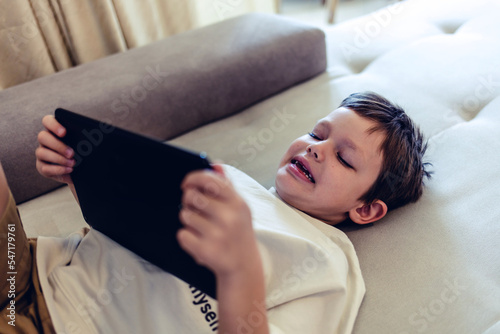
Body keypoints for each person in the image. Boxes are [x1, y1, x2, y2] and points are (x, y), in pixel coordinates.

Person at [1, 91, 431, 333]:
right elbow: (126, 224)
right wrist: (79, 176)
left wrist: (239, 272)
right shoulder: (228, 180)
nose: (316, 149)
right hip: (26, 266)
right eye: (317, 133)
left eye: (344, 158)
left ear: (367, 209)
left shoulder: (328, 266)